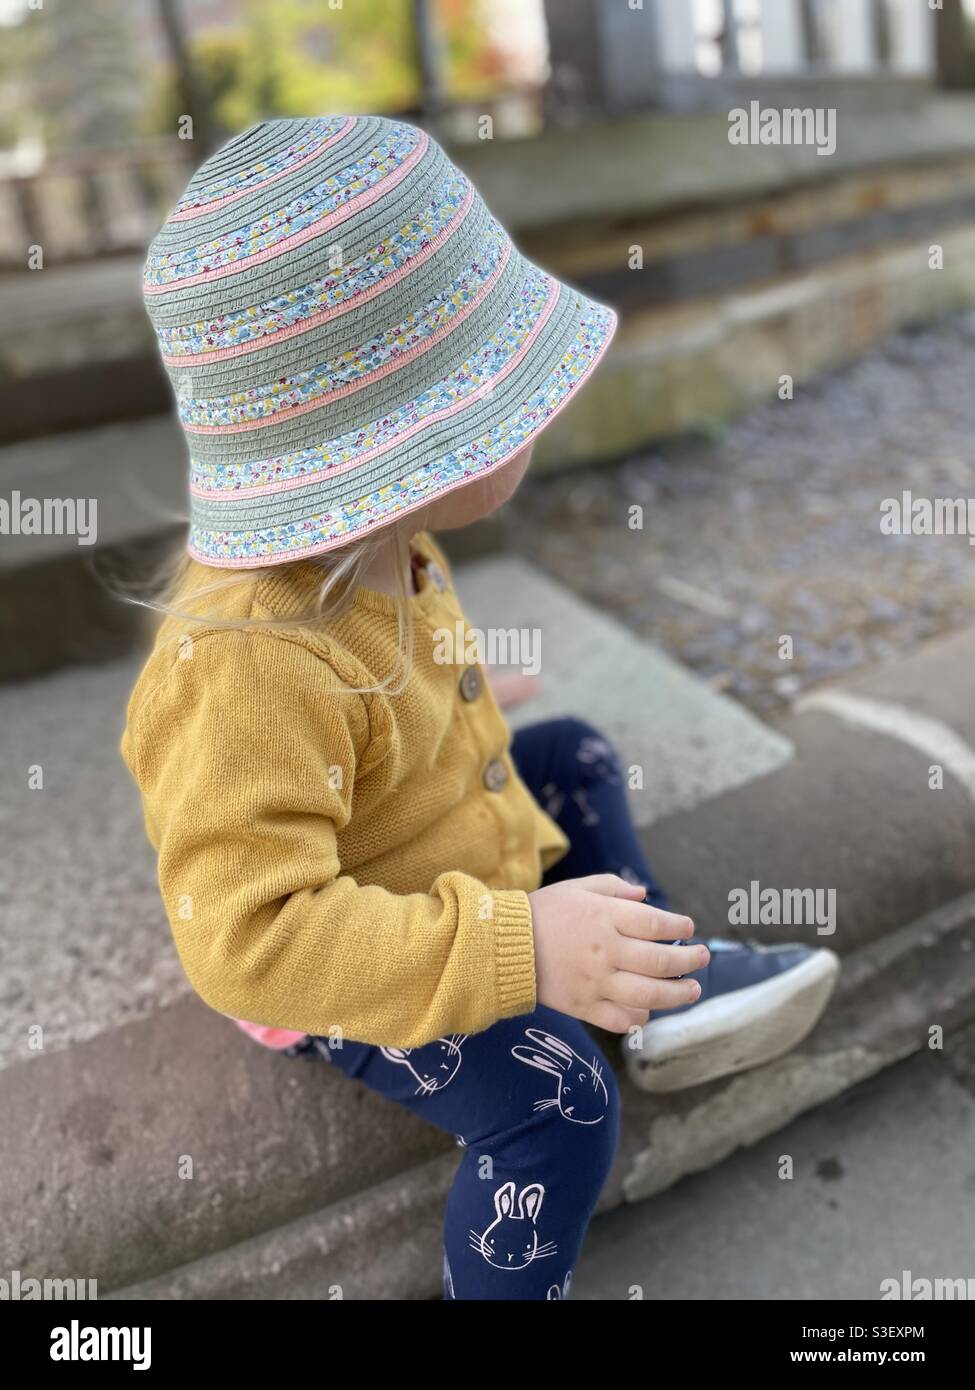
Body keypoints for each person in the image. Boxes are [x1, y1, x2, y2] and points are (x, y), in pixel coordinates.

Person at [122, 114, 838, 1300]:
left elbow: (368, 696)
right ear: (386, 446)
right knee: (562, 1101)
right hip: (354, 955)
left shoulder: (378, 541)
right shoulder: (248, 664)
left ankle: (658, 986)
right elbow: (249, 938)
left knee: (572, 753)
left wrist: (437, 716)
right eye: (499, 389)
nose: (539, 414)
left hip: (425, 843)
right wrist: (523, 949)